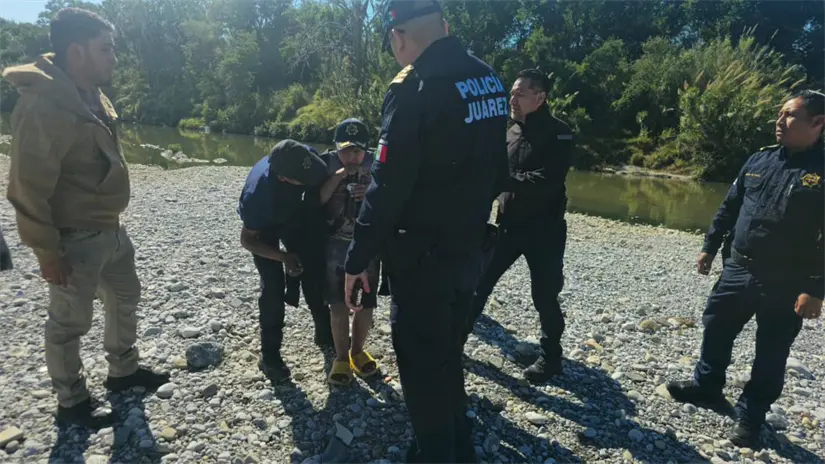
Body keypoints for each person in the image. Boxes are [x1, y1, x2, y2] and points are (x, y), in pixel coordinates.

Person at [343, 0, 509, 461]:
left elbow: (388, 184)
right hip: (470, 249)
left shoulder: (415, 86)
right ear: (445, 25)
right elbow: (499, 168)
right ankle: (456, 447)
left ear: (398, 38)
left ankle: (439, 451)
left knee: (422, 367)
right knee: (447, 355)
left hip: (424, 260)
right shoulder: (489, 79)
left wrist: (358, 259)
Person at [3, 8, 170, 428]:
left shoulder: (93, 92)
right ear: (76, 52)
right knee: (69, 322)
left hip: (111, 229)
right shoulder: (44, 106)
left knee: (125, 298)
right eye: (106, 49)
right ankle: (72, 401)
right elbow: (27, 186)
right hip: (73, 237)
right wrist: (46, 251)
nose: (114, 57)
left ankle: (123, 372)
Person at [666, 90, 825, 448]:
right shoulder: (760, 159)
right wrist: (709, 246)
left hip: (787, 281)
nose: (779, 121)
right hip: (738, 268)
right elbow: (730, 206)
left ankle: (751, 416)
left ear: (818, 123)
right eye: (780, 113)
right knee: (716, 327)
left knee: (771, 350)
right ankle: (707, 386)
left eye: (789, 115)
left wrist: (816, 289)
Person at [465, 69, 574, 383]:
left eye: (519, 94)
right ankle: (454, 341)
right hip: (508, 226)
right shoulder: (509, 132)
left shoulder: (559, 133)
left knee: (545, 295)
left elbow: (548, 180)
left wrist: (502, 181)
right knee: (479, 283)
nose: (512, 99)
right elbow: (492, 174)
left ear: (539, 97)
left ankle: (551, 357)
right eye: (511, 93)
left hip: (545, 231)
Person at [238, 139, 329, 382]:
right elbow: (248, 240)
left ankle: (324, 331)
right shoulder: (257, 195)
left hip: (292, 214)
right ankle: (269, 356)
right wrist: (283, 257)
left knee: (312, 269)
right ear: (285, 179)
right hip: (264, 228)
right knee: (273, 287)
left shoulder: (303, 155)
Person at [319, 118, 380, 386]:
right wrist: (339, 177)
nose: (352, 156)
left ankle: (358, 351)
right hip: (334, 242)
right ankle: (341, 356)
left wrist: (369, 192)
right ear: (336, 147)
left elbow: (392, 197)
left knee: (366, 302)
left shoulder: (379, 165)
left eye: (358, 151)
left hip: (367, 241)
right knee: (338, 303)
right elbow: (317, 200)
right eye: (346, 150)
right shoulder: (326, 164)